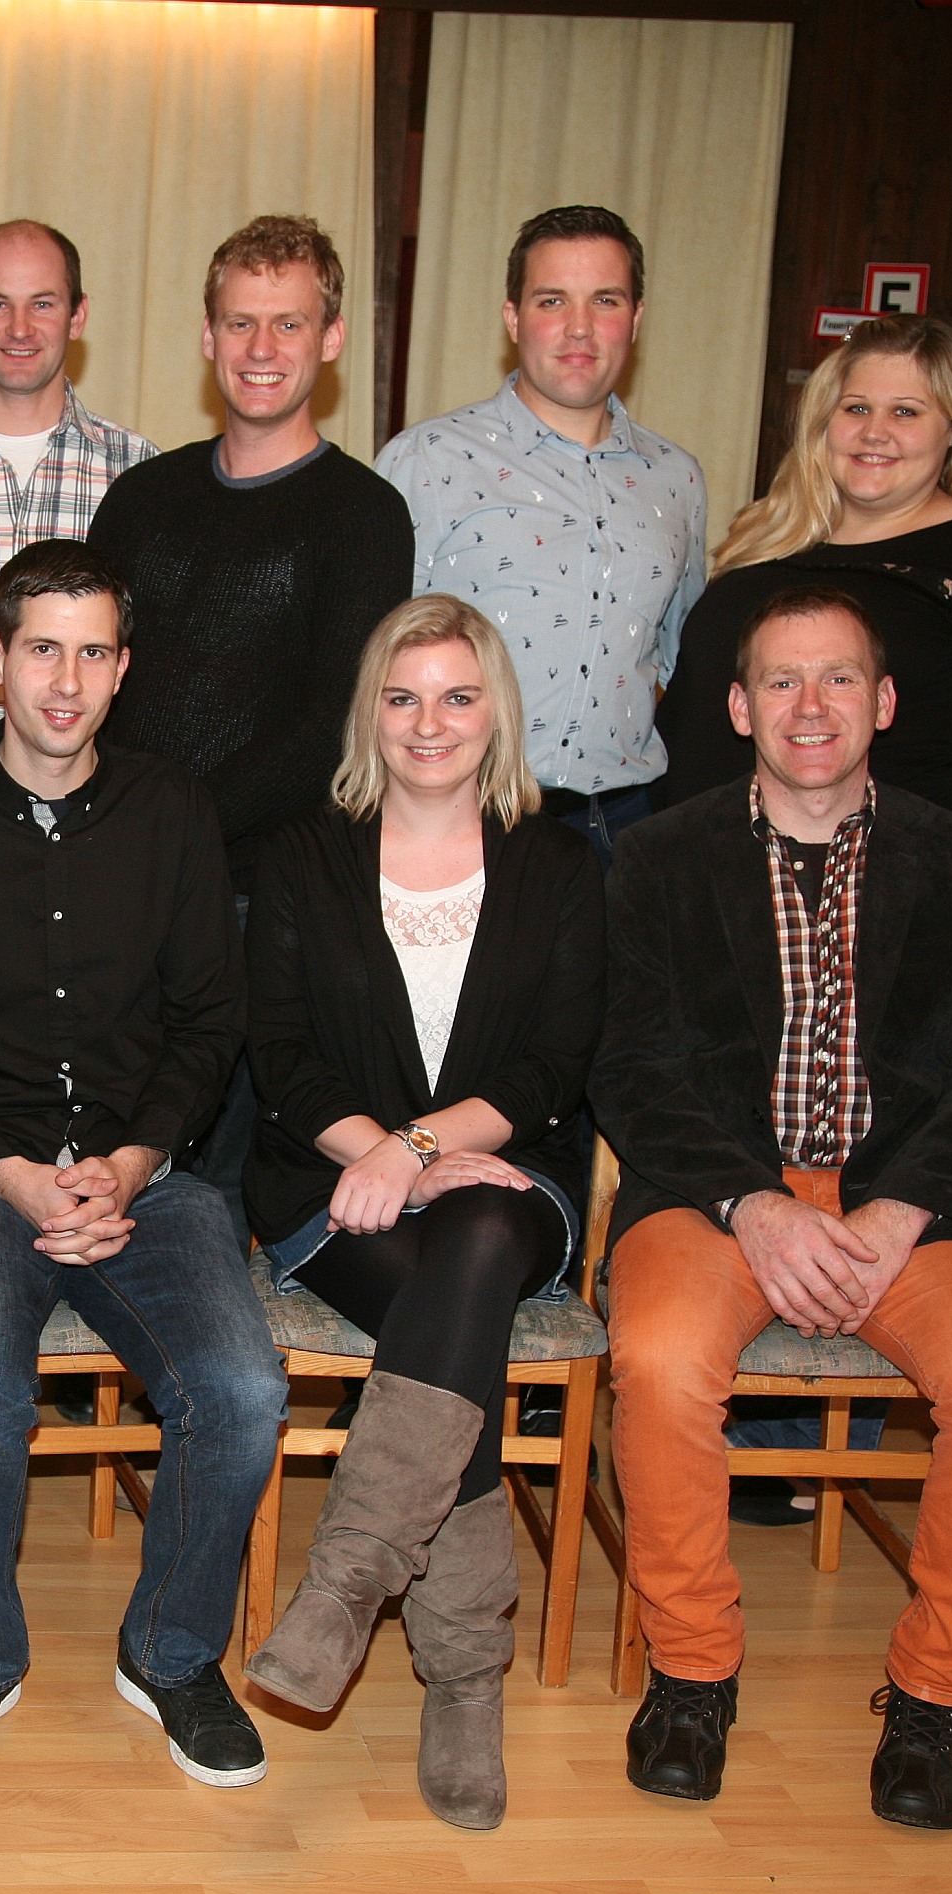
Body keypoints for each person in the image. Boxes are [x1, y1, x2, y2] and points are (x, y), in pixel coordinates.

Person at [590, 584, 952, 1832]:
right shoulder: (660, 856)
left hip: (910, 1202)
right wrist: (754, 1203)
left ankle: (937, 1695)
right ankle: (693, 1672)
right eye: (783, 681)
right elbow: (631, 1067)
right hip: (715, 1195)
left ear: (884, 701)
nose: (812, 706)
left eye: (840, 677)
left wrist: (899, 1211)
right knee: (660, 1358)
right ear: (739, 706)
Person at [0, 539, 286, 1797]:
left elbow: (209, 1022)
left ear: (124, 668)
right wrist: (11, 1170)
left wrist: (133, 1162)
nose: (67, 679)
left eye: (94, 652)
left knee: (242, 1386)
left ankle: (171, 1650)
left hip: (149, 1181)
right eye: (43, 648)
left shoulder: (174, 812)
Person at [240, 595, 602, 1831]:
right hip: (331, 1178)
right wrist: (384, 1157)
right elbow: (281, 1056)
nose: (428, 722)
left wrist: (427, 1147)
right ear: (370, 714)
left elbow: (556, 1064)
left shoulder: (559, 861)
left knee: (481, 1241)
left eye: (456, 695)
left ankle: (348, 1584)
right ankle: (464, 1677)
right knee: (459, 1318)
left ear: (496, 709)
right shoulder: (304, 853)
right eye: (402, 698)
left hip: (508, 1173)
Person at [85, 212, 412, 1235]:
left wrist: (175, 827)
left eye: (288, 323)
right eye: (240, 322)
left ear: (331, 338)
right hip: (122, 872)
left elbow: (333, 719)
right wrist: (116, 829)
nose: (261, 348)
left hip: (262, 894)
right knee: (109, 1135)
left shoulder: (366, 513)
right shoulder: (140, 498)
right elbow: (97, 677)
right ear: (208, 335)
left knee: (214, 1178)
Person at [654, 313, 952, 858]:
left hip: (892, 883)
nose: (874, 432)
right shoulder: (760, 541)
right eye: (856, 408)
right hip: (714, 873)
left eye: (906, 411)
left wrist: (944, 892)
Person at [373, 205, 707, 860]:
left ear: (636, 319)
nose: (579, 327)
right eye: (552, 300)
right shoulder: (427, 461)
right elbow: (370, 662)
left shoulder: (678, 481)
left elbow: (676, 661)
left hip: (627, 829)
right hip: (463, 822)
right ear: (513, 318)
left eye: (605, 300)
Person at [0, 220, 157, 741]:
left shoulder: (140, 474)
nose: (19, 328)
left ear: (77, 315)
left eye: (42, 304)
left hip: (94, 786)